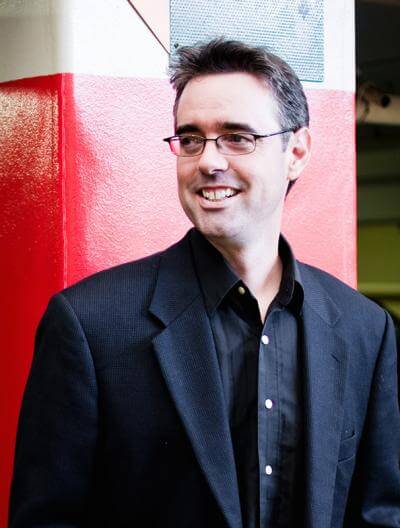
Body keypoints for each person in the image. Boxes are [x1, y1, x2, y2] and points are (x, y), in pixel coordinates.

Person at [9, 38, 400, 528]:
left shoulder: (366, 329)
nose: (208, 161)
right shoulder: (89, 325)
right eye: (191, 139)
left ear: (295, 151)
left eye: (238, 137)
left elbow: (379, 513)